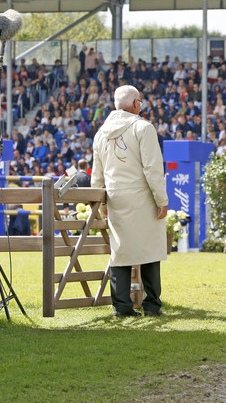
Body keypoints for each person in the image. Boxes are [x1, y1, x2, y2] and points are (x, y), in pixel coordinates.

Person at [91, 85, 169, 318]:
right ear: (135, 103)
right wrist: (161, 199)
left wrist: (101, 204)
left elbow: (97, 174)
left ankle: (122, 306)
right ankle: (152, 305)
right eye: (141, 102)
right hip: (142, 197)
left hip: (115, 198)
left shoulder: (101, 132)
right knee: (150, 251)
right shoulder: (143, 128)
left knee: (120, 252)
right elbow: (152, 168)